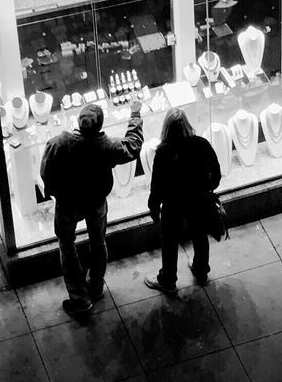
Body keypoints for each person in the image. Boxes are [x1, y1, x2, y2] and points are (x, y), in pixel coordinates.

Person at [40, 92, 145, 316]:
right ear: (99, 127)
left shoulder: (59, 143)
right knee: (98, 242)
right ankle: (95, 286)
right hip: (96, 201)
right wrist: (135, 113)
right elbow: (133, 146)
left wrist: (55, 194)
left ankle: (79, 299)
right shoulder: (105, 146)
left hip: (68, 204)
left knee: (67, 246)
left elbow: (46, 172)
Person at [145, 107, 221, 293]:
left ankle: (168, 280)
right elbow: (216, 172)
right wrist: (208, 187)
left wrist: (153, 207)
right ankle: (201, 270)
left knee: (169, 242)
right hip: (198, 199)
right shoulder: (201, 144)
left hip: (173, 204)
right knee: (200, 234)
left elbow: (157, 185)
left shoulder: (163, 152)